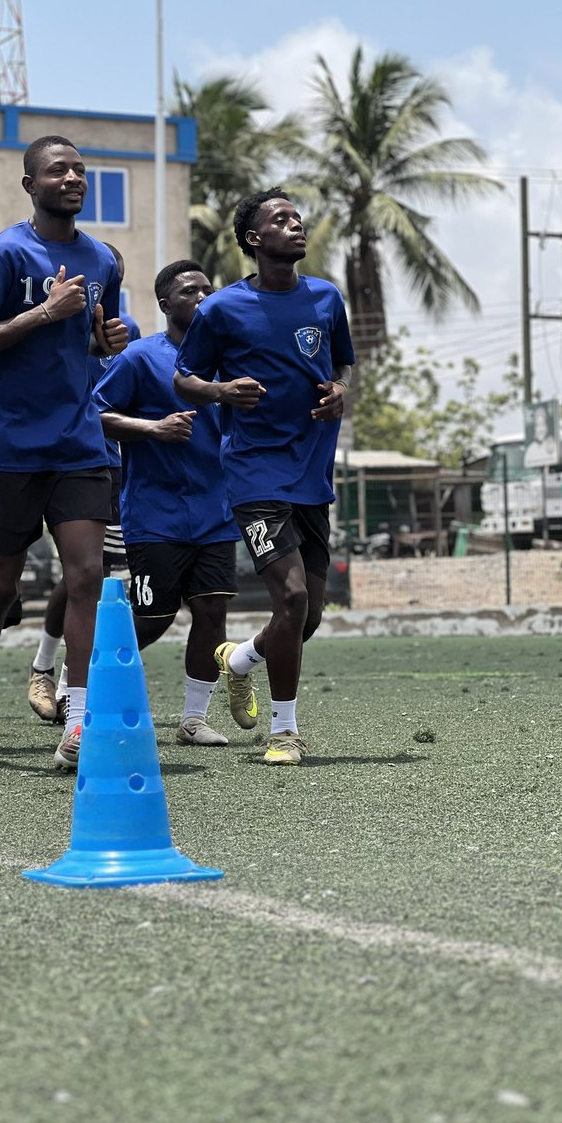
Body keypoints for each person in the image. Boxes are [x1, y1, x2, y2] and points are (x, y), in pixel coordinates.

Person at [0, 134, 128, 768]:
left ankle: (77, 721)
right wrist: (45, 313)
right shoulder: (2, 254)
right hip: (7, 448)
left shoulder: (103, 259)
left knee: (86, 575)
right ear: (31, 185)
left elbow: (97, 341)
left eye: (81, 169)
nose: (74, 177)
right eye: (59, 170)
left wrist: (107, 339)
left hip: (78, 442)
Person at [174, 187, 354, 765]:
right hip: (253, 473)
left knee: (310, 614)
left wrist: (340, 391)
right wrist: (221, 391)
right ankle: (284, 732)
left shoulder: (326, 298)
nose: (296, 224)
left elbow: (343, 362)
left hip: (313, 472)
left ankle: (242, 658)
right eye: (282, 219)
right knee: (294, 596)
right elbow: (185, 379)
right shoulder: (222, 308)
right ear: (255, 239)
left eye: (297, 216)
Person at [94, 259, 241, 744]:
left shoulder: (227, 359)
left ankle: (194, 719)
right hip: (155, 514)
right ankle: (91, 701)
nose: (201, 298)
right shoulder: (139, 357)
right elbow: (95, 415)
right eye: (188, 292)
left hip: (216, 512)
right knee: (153, 619)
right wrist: (152, 428)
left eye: (207, 289)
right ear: (164, 304)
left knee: (212, 613)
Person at [27, 241, 141, 726]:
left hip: (107, 465)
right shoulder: (49, 315)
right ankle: (40, 666)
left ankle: (82, 691)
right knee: (56, 575)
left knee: (95, 573)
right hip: (42, 457)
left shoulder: (125, 333)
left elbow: (125, 400)